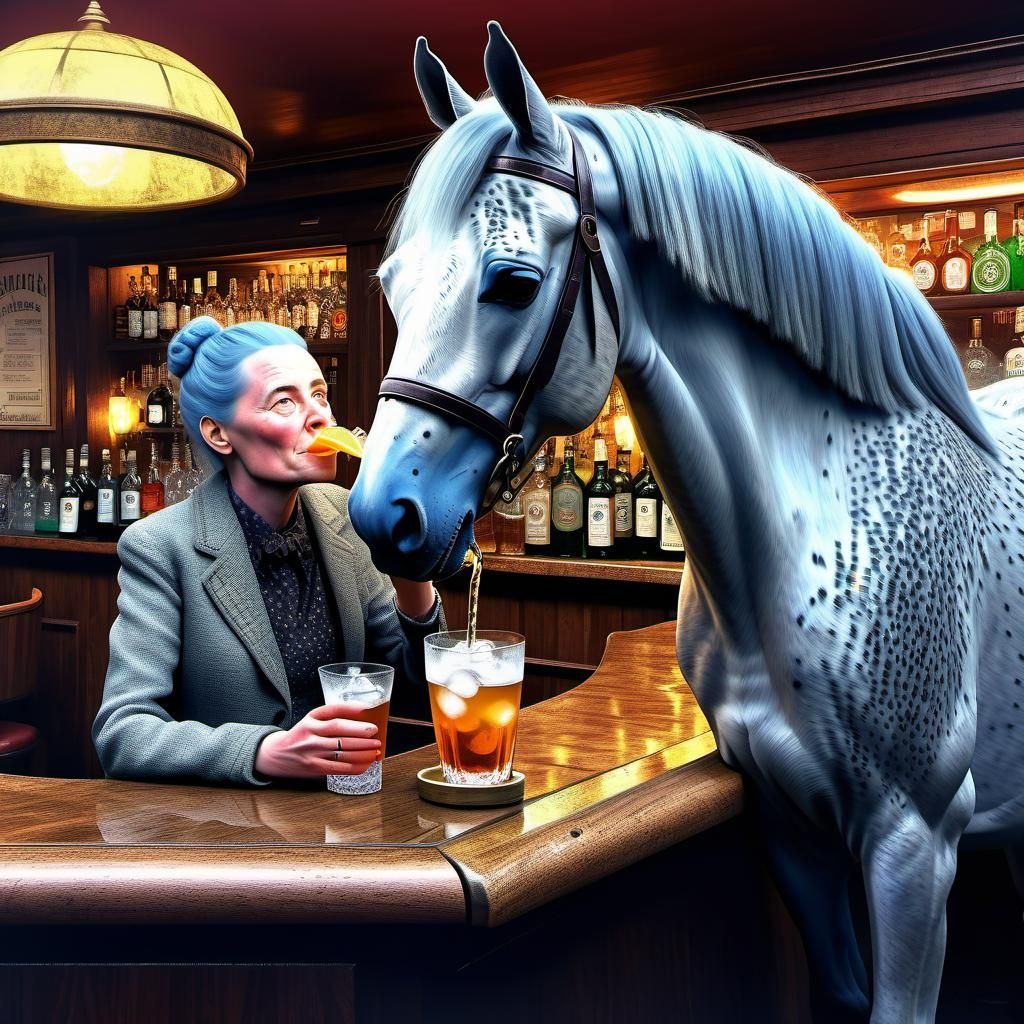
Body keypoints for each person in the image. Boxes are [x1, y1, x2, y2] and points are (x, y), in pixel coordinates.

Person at [93, 316, 445, 786]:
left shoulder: (347, 515)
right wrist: (264, 751)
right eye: (285, 402)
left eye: (319, 394)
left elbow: (419, 688)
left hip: (347, 815)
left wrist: (410, 565)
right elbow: (122, 733)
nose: (320, 416)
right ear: (220, 434)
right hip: (228, 834)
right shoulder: (160, 547)